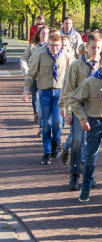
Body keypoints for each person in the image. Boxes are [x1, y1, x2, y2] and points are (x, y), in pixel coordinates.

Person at [71, 48, 102, 208]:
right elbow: (74, 100)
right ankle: (85, 187)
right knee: (91, 158)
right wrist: (82, 118)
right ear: (100, 63)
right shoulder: (90, 82)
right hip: (93, 122)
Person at [60, 32, 102, 189]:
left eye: (99, 48)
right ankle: (74, 175)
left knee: (91, 145)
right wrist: (66, 109)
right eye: (93, 47)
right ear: (86, 46)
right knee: (77, 141)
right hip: (79, 108)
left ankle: (88, 175)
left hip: (96, 109)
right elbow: (68, 88)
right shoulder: (76, 66)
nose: (95, 51)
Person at [23, 31, 73, 164]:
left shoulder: (66, 56)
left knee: (57, 123)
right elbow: (31, 73)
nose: (55, 49)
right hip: (44, 93)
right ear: (47, 44)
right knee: (46, 124)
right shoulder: (40, 54)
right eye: (52, 46)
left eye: (57, 46)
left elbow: (71, 75)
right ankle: (46, 152)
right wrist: (26, 89)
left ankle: (56, 143)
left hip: (60, 93)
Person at [21, 26, 48, 135]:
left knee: (42, 99)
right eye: (43, 33)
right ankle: (36, 113)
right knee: (35, 96)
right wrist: (26, 71)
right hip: (34, 76)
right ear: (38, 34)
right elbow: (23, 58)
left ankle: (41, 118)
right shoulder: (32, 47)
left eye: (46, 33)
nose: (44, 35)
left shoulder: (51, 47)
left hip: (45, 79)